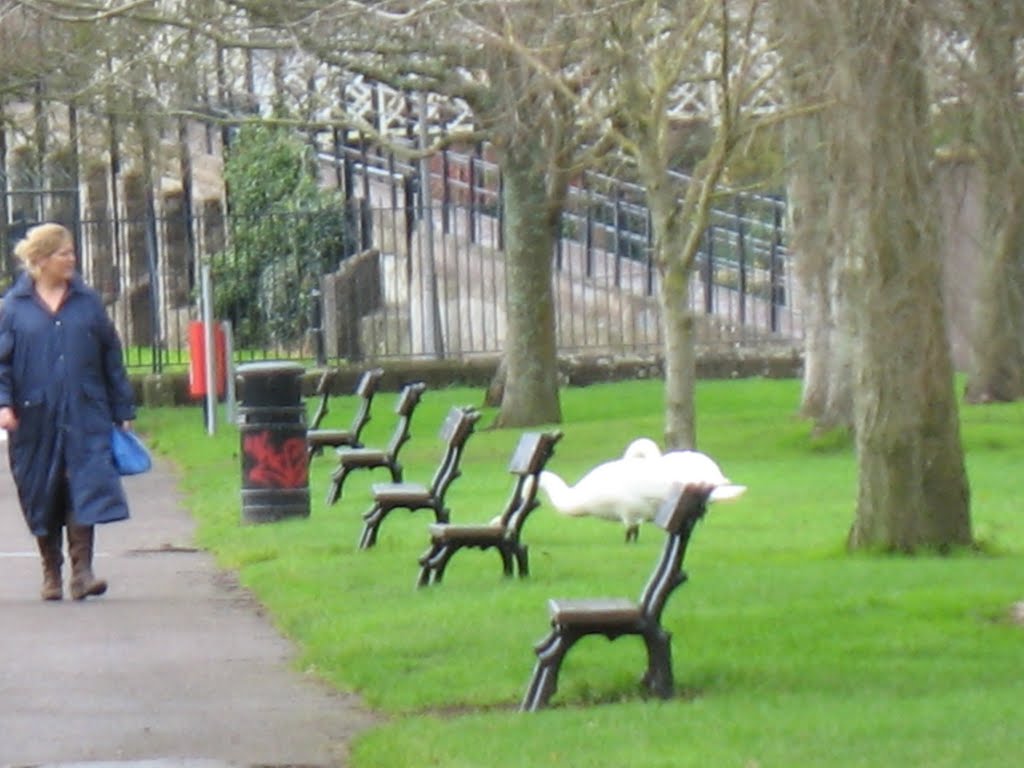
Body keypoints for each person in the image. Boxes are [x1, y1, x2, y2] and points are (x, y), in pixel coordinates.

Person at [0, 222, 136, 601]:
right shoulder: (14, 307)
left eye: (72, 252)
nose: (72, 259)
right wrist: (3, 403)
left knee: (84, 485)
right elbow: (2, 363)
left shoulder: (87, 301)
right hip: (33, 416)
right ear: (41, 260)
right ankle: (51, 572)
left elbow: (111, 354)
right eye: (64, 253)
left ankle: (83, 571)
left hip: (85, 411)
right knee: (41, 491)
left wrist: (121, 406)